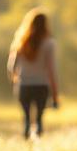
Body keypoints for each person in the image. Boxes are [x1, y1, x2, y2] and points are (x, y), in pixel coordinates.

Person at [7, 9, 59, 139]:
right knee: (39, 118)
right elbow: (51, 69)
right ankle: (38, 141)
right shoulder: (49, 43)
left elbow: (11, 66)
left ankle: (26, 136)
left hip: (24, 85)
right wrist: (55, 94)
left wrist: (14, 82)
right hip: (41, 85)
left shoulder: (20, 42)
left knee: (26, 117)